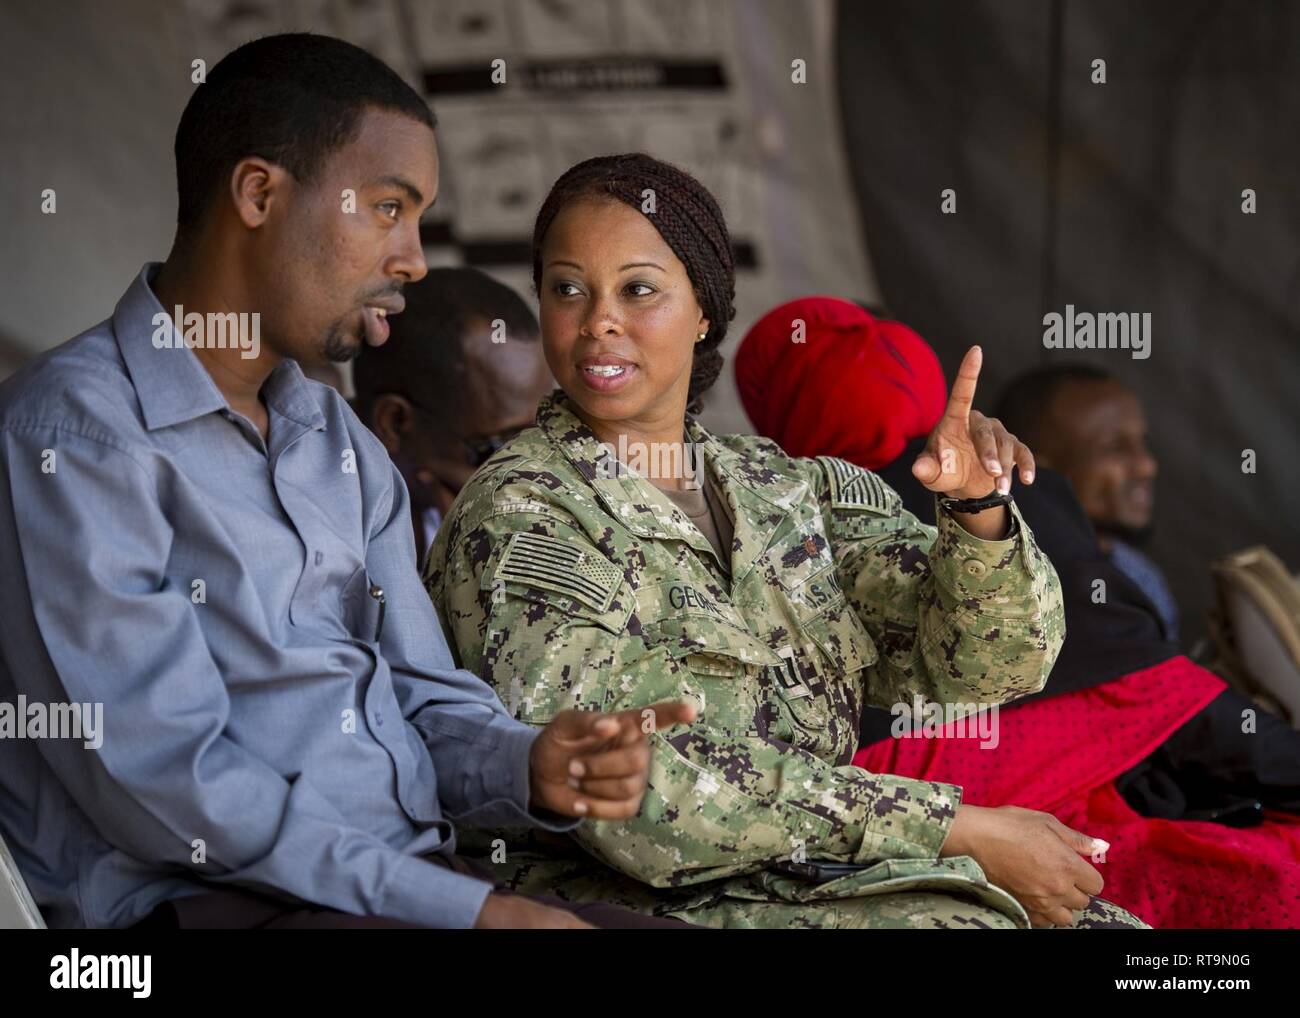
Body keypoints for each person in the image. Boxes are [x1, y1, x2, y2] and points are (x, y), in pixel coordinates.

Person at [0, 34, 697, 931]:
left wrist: (529, 762)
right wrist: (467, 912)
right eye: (386, 208)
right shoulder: (74, 436)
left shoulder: (330, 435)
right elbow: (171, 783)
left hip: (398, 884)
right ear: (259, 193)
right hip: (206, 909)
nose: (411, 257)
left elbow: (417, 694)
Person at [425, 152, 1147, 929]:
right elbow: (633, 801)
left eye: (638, 289)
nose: (599, 319)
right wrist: (950, 828)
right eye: (568, 289)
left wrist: (978, 510)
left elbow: (989, 668)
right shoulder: (521, 510)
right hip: (632, 902)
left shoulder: (783, 488)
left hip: (817, 879)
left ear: (703, 311)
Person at [734, 296, 1300, 927]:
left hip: (876, 802)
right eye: (1116, 446)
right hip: (960, 790)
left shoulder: (759, 517)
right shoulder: (1006, 501)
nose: (1146, 464)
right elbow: (1160, 697)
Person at [353, 267, 553, 564]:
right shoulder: (338, 528)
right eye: (499, 449)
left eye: (542, 436)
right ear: (394, 424)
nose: (535, 475)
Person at [992, 366, 1179, 643]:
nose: (1147, 465)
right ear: (1035, 470)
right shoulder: (1000, 590)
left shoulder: (1138, 573)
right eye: (1115, 447)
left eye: (1142, 442)